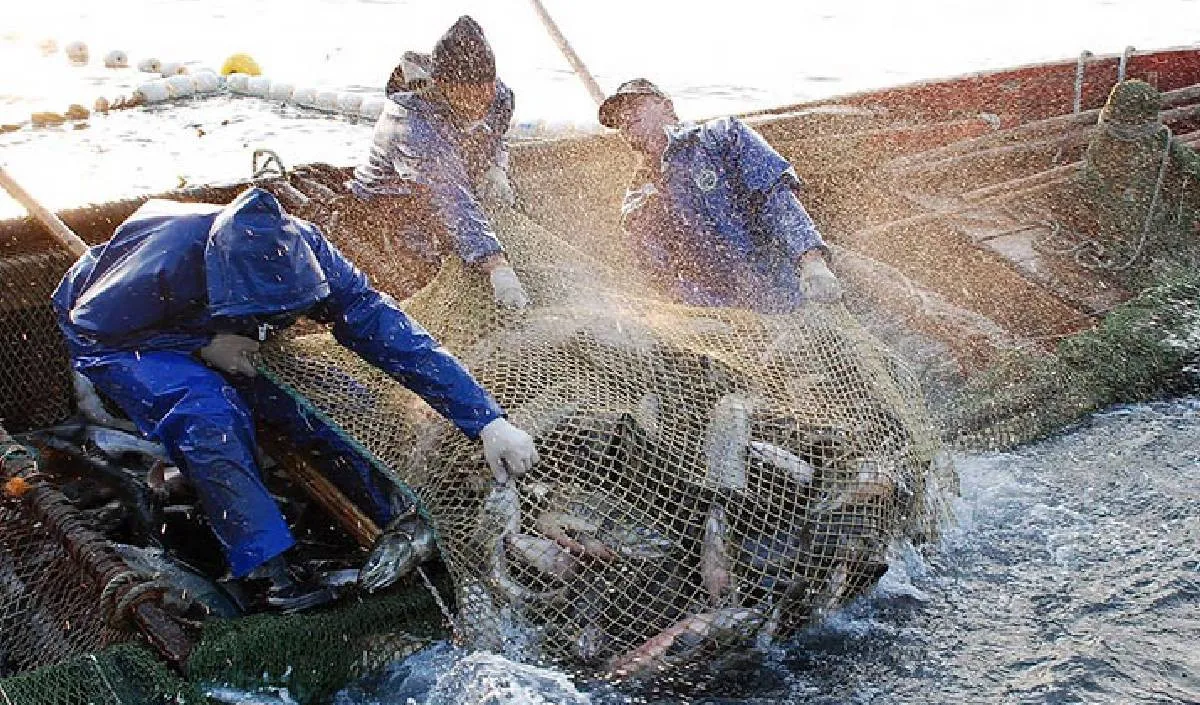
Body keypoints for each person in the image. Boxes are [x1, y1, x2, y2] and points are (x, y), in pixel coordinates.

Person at [52, 187, 538, 610]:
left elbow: (389, 334)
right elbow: (89, 326)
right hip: (123, 334)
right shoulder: (162, 267)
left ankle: (395, 521)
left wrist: (486, 420)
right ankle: (266, 571)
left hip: (224, 327)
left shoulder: (311, 254)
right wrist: (200, 344)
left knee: (336, 401)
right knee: (209, 414)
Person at [598, 78, 843, 313]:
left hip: (793, 289)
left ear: (667, 106)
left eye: (634, 105)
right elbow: (661, 275)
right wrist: (700, 315)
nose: (626, 117)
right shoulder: (638, 200)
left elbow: (777, 199)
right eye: (619, 118)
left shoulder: (723, 135)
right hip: (729, 318)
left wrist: (811, 260)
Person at [350, 15, 529, 309]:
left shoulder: (500, 97)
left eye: (488, 86)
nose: (484, 99)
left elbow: (495, 138)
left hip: (454, 189)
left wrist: (497, 168)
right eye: (472, 91)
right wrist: (496, 264)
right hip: (387, 204)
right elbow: (449, 197)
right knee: (420, 284)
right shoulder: (410, 121)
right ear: (443, 83)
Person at [1076, 78, 1200, 275]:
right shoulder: (1156, 140)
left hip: (1118, 224)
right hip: (1144, 229)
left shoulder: (1105, 138)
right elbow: (1192, 169)